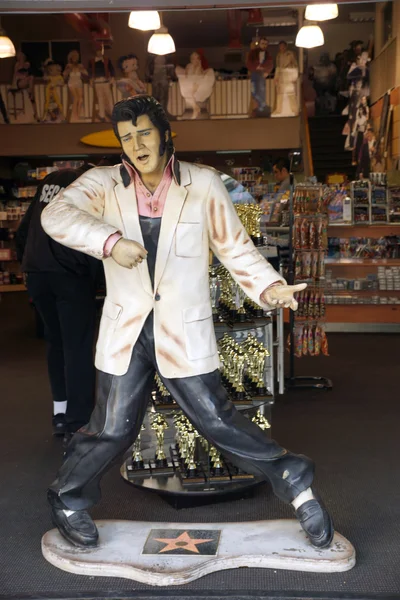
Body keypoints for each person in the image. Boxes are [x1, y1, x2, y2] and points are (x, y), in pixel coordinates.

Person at [41, 95, 333, 550]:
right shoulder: (103, 184)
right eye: (126, 137)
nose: (136, 144)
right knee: (112, 426)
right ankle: (68, 497)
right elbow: (54, 214)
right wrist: (109, 241)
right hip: (127, 328)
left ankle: (299, 488)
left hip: (182, 326)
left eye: (144, 132)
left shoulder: (203, 183)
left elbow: (235, 248)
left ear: (163, 132)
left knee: (218, 420)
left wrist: (270, 288)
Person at [16, 167, 99, 442]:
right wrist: (96, 280)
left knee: (56, 342)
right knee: (78, 347)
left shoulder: (50, 182)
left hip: (37, 275)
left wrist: (30, 264)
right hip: (70, 276)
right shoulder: (89, 187)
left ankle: (60, 415)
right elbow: (93, 236)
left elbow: (23, 231)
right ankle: (79, 422)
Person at [246, 37, 273, 117]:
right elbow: (249, 63)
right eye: (262, 43)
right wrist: (257, 67)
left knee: (261, 90)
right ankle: (262, 106)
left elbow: (270, 64)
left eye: (265, 44)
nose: (264, 45)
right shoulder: (253, 52)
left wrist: (266, 71)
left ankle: (261, 108)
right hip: (255, 73)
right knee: (254, 91)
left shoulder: (267, 54)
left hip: (261, 74)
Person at [89, 44, 115, 122]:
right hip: (97, 82)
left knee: (109, 98)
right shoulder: (92, 61)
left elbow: (111, 69)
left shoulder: (107, 60)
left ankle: (112, 113)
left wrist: (112, 77)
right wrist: (91, 79)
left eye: (100, 51)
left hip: (105, 81)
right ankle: (102, 115)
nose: (99, 53)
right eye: (98, 51)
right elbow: (90, 71)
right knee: (100, 98)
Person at [63, 50, 88, 122]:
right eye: (73, 57)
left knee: (81, 99)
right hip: (71, 82)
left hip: (79, 82)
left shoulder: (80, 66)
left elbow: (86, 74)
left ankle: (78, 113)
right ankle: (75, 115)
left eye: (76, 57)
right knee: (76, 98)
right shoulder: (68, 66)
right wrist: (68, 70)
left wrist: (81, 70)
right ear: (71, 58)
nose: (75, 58)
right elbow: (64, 75)